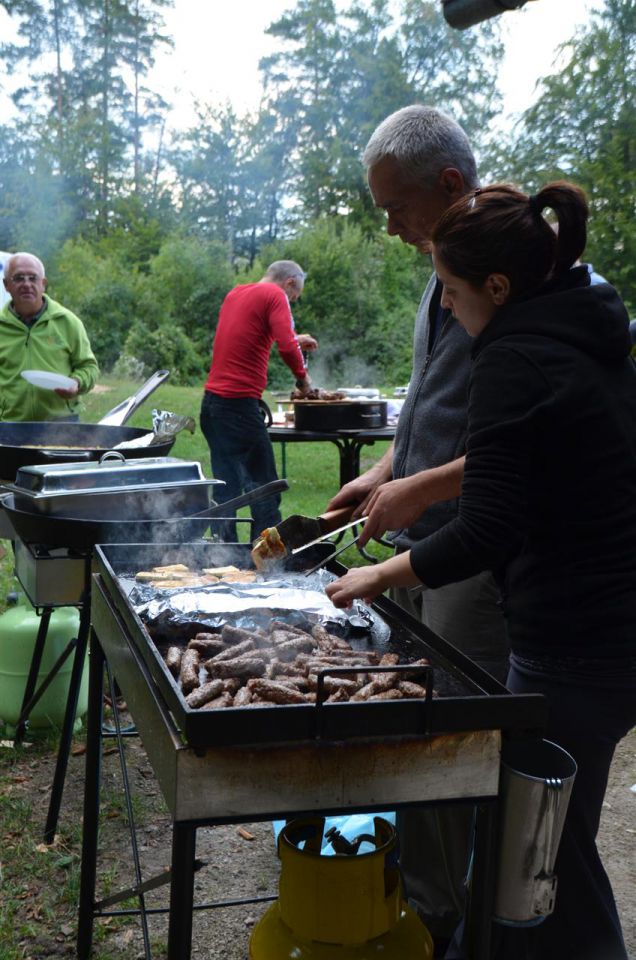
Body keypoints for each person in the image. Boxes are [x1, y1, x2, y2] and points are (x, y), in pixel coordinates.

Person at [326, 181, 636, 960]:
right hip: (615, 632)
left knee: (529, 848)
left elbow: (487, 528)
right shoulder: (588, 328)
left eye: (455, 295)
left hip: (575, 638)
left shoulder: (513, 356)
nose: (453, 313)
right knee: (543, 841)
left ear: (496, 288)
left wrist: (376, 577)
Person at [325, 105, 510, 943]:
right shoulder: (444, 271)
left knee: (453, 739)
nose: (389, 226)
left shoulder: (511, 275)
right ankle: (415, 895)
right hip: (422, 537)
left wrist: (424, 491)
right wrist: (378, 474)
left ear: (447, 185)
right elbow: (431, 412)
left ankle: (445, 920)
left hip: (477, 552)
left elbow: (532, 444)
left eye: (395, 207)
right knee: (407, 717)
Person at [200, 260, 317, 541]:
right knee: (265, 490)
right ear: (289, 283)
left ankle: (221, 559)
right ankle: (266, 565)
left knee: (226, 492)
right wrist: (304, 381)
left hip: (212, 407)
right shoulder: (275, 295)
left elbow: (254, 334)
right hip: (238, 409)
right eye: (294, 297)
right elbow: (286, 347)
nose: (290, 301)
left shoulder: (237, 293)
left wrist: (294, 337)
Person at [0, 252, 99, 421]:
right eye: (18, 278)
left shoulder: (67, 322)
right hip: (10, 425)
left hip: (63, 425)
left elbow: (89, 367)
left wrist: (77, 382)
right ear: (6, 285)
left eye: (33, 278)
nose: (26, 284)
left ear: (43, 284)